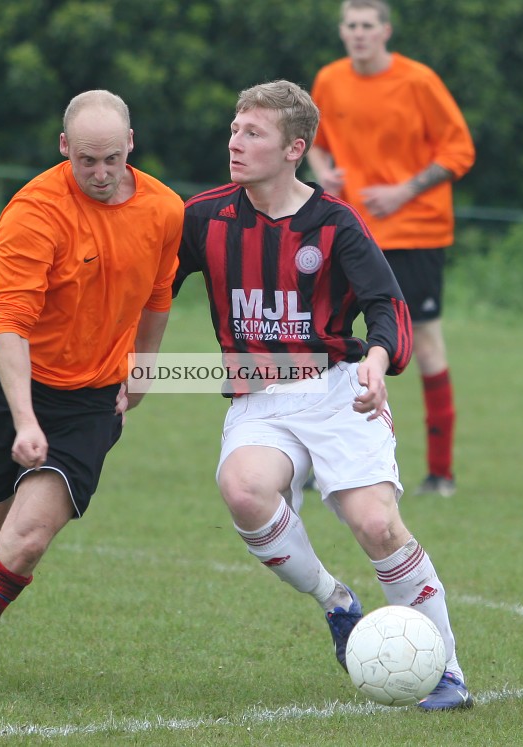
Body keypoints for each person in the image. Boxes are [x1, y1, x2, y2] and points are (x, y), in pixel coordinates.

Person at [172, 79, 473, 710]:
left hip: (337, 394)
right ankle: (336, 601)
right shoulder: (204, 217)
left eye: (253, 133)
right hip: (258, 400)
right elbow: (146, 291)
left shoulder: (335, 222)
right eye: (234, 128)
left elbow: (386, 305)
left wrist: (376, 358)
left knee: (378, 527)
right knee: (243, 488)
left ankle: (446, 670)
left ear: (293, 148)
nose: (235, 142)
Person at [0, 90, 184, 688]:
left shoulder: (165, 210)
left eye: (111, 159)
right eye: (86, 161)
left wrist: (143, 372)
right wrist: (25, 419)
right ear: (63, 149)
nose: (100, 174)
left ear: (131, 143)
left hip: (90, 403)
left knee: (25, 540)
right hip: (12, 387)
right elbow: (10, 326)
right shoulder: (34, 211)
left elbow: (158, 297)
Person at [307, 0, 476, 498]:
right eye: (351, 26)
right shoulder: (330, 80)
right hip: (351, 232)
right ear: (342, 32)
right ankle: (324, 461)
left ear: (385, 31)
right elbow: (311, 139)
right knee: (331, 341)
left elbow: (460, 149)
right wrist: (320, 166)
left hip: (414, 232)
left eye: (367, 26)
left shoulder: (418, 81)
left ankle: (440, 473)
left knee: (424, 344)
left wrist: (404, 190)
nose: (359, 34)